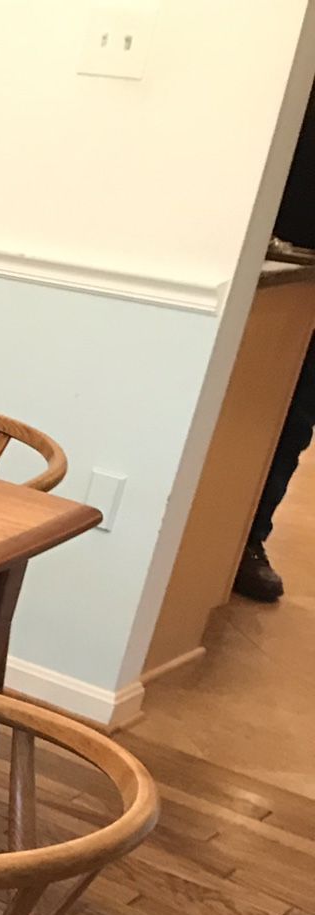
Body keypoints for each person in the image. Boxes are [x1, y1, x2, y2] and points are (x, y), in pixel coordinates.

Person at [240, 95, 315, 603]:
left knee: (297, 421)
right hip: (276, 263)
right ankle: (224, 543)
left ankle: (248, 540)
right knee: (264, 416)